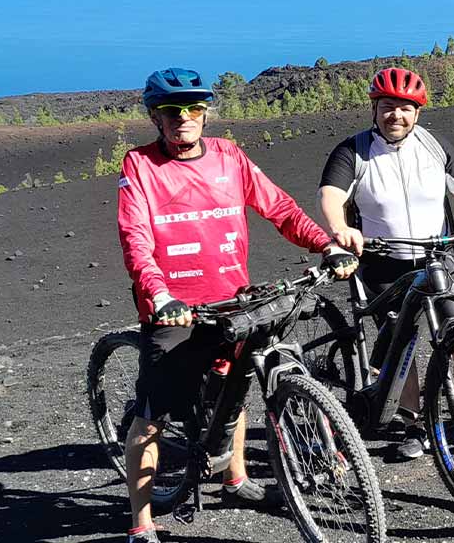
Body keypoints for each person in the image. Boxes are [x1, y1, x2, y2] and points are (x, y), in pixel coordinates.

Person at [117, 68, 357, 543]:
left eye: (192, 109)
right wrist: (159, 294)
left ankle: (237, 479)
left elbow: (279, 207)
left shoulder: (228, 155)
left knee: (236, 379)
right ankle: (141, 523)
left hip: (233, 299)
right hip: (174, 307)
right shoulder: (139, 165)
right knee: (153, 415)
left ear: (205, 114)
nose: (183, 118)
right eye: (171, 110)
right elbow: (135, 237)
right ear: (155, 116)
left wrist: (325, 245)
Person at [317, 67, 454, 460]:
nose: (397, 115)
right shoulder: (353, 151)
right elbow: (331, 194)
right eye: (388, 106)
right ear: (374, 108)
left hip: (438, 258)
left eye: (405, 108)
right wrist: (340, 228)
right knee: (399, 343)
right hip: (382, 262)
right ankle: (411, 421)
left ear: (418, 113)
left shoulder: (433, 145)